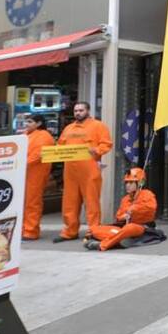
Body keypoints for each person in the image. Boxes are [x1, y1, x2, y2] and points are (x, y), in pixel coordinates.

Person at [53, 101, 113, 243]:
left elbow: (107, 144)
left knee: (92, 202)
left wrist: (97, 151)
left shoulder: (98, 126)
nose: (78, 113)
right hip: (70, 171)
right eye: (76, 111)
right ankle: (69, 231)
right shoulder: (68, 128)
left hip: (90, 169)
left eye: (81, 110)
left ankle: (94, 231)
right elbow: (59, 146)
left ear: (88, 111)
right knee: (70, 202)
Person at [84, 167, 157, 251]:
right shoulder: (125, 199)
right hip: (123, 229)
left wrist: (133, 209)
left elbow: (151, 208)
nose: (127, 185)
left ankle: (103, 245)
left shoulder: (148, 194)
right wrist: (124, 216)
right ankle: (119, 240)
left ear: (140, 183)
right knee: (94, 229)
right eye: (126, 183)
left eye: (131, 182)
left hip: (140, 228)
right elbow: (118, 216)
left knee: (129, 228)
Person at [20, 114, 55, 241]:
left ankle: (31, 231)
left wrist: (21, 163)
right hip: (25, 172)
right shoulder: (26, 134)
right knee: (24, 202)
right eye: (26, 121)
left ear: (39, 123)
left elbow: (38, 155)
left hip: (36, 173)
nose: (26, 124)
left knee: (32, 202)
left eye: (29, 122)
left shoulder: (44, 136)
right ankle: (24, 228)